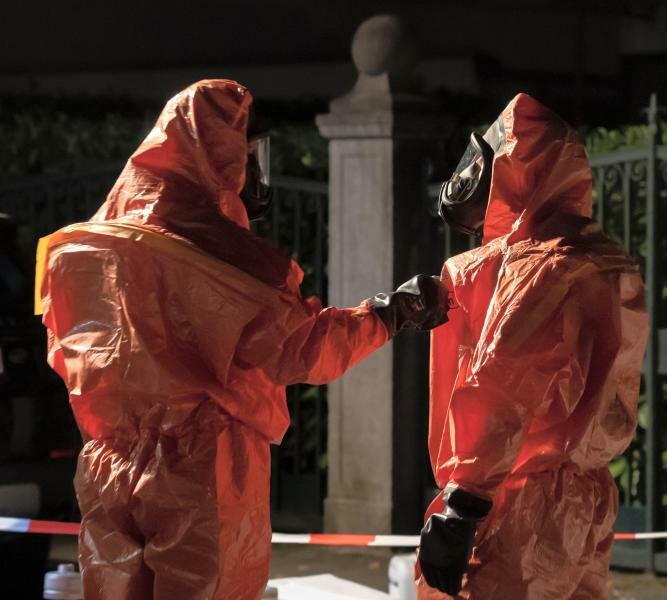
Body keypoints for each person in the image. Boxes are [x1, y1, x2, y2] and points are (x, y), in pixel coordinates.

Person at [35, 79, 448, 600]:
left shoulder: (80, 248)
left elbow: (66, 350)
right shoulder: (226, 257)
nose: (256, 172)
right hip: (202, 468)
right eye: (250, 155)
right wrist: (390, 314)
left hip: (106, 464)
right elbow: (303, 349)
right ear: (221, 158)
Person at [415, 93, 649, 599]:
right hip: (588, 494)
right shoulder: (610, 262)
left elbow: (502, 384)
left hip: (519, 500)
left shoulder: (537, 267)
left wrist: (463, 503)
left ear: (514, 174)